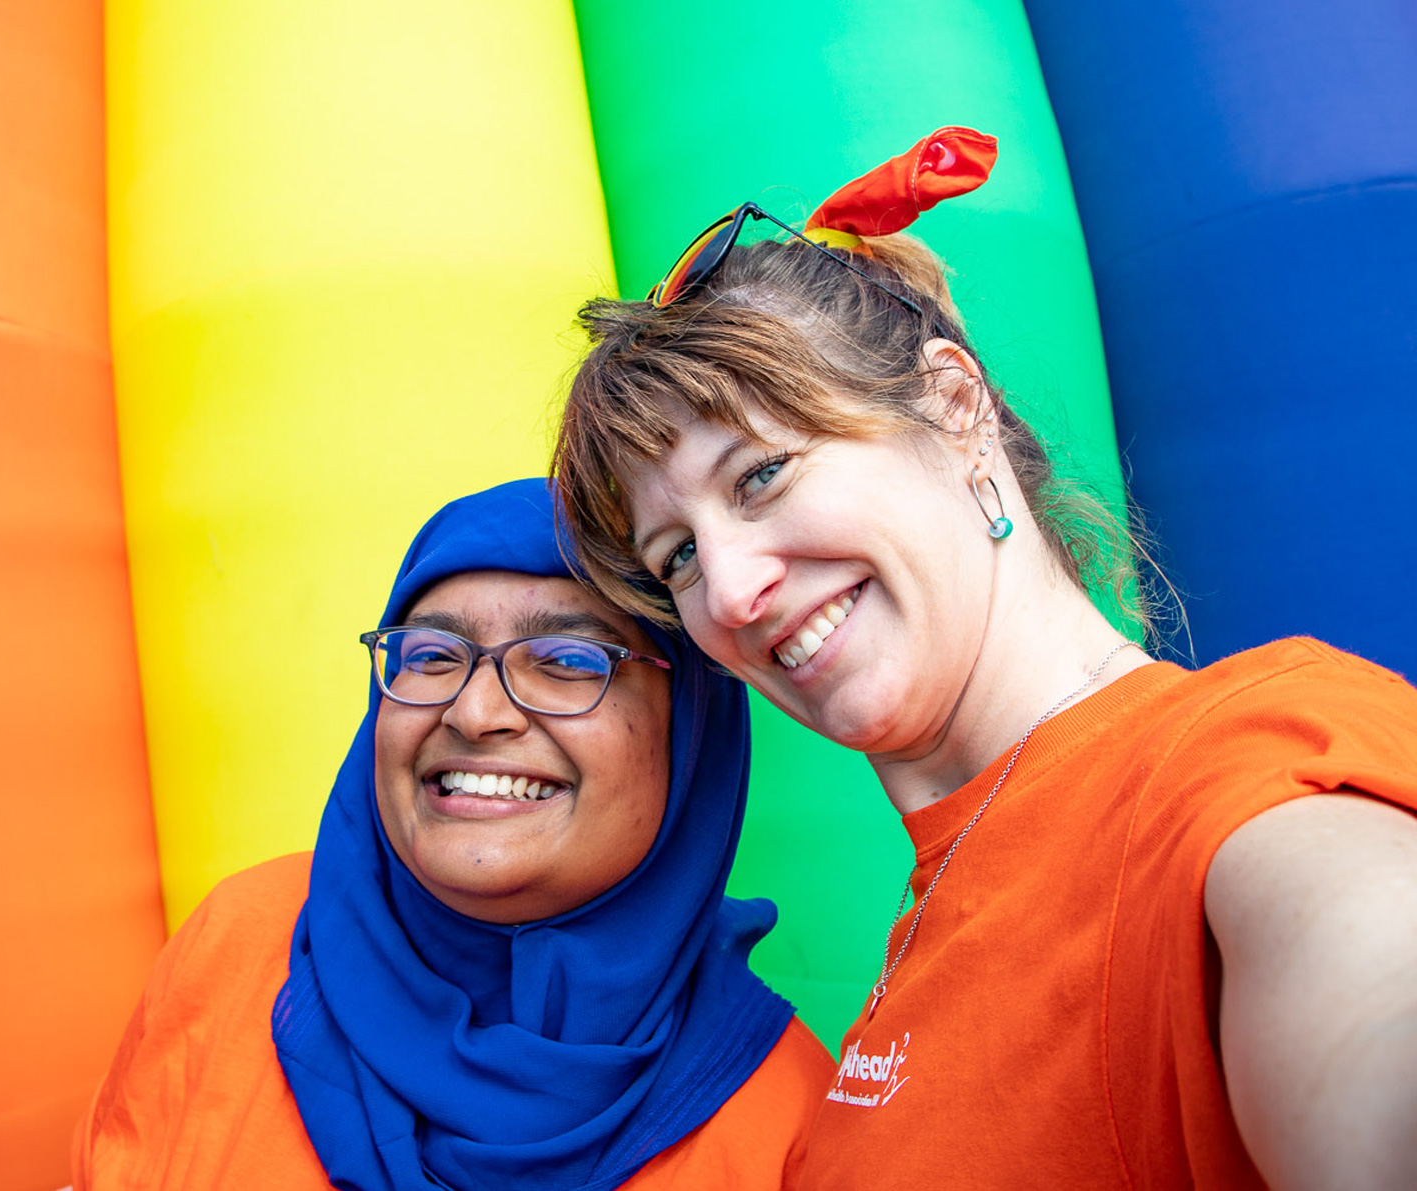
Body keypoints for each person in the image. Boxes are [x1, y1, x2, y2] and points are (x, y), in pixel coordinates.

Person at [548, 126, 1417, 1191]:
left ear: (954, 410)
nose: (727, 591)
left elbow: (1370, 1007)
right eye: (675, 554)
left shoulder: (1241, 756)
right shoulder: (925, 927)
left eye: (760, 476)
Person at [73, 479, 833, 1191]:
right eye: (432, 655)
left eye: (569, 659)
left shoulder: (788, 1122)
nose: (474, 713)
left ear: (692, 729)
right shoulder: (239, 944)